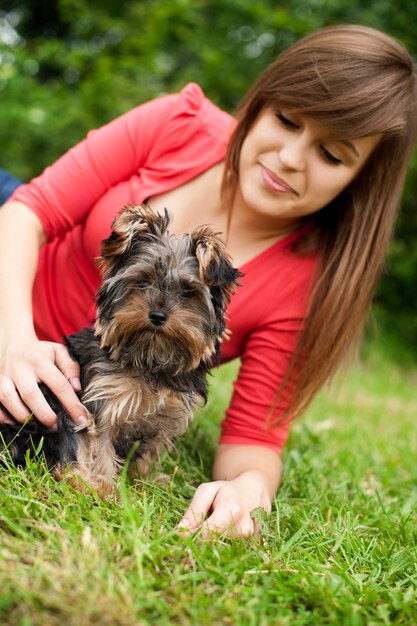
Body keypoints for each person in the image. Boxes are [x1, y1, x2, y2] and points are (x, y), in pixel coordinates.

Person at [0, 24, 416, 538]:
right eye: (286, 120)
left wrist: (247, 490)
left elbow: (253, 439)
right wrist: (14, 340)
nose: (289, 158)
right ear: (260, 103)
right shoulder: (181, 121)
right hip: (14, 264)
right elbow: (29, 211)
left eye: (332, 154)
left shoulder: (307, 287)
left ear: (361, 181)